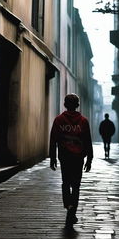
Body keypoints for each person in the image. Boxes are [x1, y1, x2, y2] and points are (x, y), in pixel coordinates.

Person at [49, 94, 93, 228]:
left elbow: (53, 140)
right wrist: (89, 159)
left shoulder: (58, 120)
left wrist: (52, 157)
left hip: (65, 157)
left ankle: (68, 205)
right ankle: (72, 211)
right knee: (76, 185)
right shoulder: (83, 121)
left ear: (65, 104)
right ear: (77, 105)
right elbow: (87, 141)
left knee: (65, 182)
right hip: (78, 158)